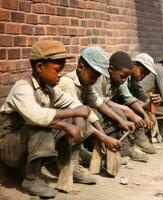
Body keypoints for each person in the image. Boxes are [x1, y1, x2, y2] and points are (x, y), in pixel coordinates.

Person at [0, 40, 95, 198]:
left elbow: (75, 104)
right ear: (39, 67)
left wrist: (78, 119)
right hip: (9, 147)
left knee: (74, 119)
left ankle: (69, 169)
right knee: (41, 125)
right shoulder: (22, 88)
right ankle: (32, 178)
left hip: (28, 143)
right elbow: (37, 116)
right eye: (57, 70)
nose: (61, 74)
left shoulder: (49, 90)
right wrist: (66, 125)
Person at [57, 47, 136, 156]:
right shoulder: (68, 84)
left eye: (97, 77)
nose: (94, 80)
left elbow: (98, 104)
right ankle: (73, 159)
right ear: (81, 67)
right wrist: (104, 138)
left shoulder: (86, 85)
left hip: (78, 125)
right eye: (93, 76)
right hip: (58, 130)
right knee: (78, 119)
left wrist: (119, 122)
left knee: (105, 117)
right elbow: (81, 114)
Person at [93, 51, 157, 162]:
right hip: (96, 110)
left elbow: (129, 99)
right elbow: (99, 101)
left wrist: (144, 113)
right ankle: (124, 150)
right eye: (122, 77)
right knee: (121, 112)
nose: (123, 80)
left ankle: (131, 145)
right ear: (111, 69)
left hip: (107, 108)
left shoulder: (123, 77)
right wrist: (128, 111)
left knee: (132, 110)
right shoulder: (100, 76)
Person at [129, 53, 162, 142]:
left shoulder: (135, 80)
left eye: (146, 74)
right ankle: (136, 141)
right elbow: (128, 99)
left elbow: (142, 97)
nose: (143, 76)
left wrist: (152, 103)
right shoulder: (125, 76)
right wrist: (145, 110)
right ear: (135, 64)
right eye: (142, 72)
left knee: (148, 111)